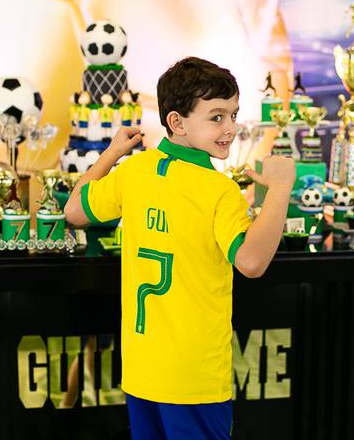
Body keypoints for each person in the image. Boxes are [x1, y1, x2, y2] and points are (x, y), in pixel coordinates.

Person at [65, 56, 295, 439]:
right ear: (177, 122)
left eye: (233, 115)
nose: (230, 128)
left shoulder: (134, 172)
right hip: (194, 378)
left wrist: (112, 153)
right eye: (216, 117)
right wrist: (281, 189)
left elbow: (74, 210)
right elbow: (252, 262)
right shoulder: (219, 190)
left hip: (141, 371)